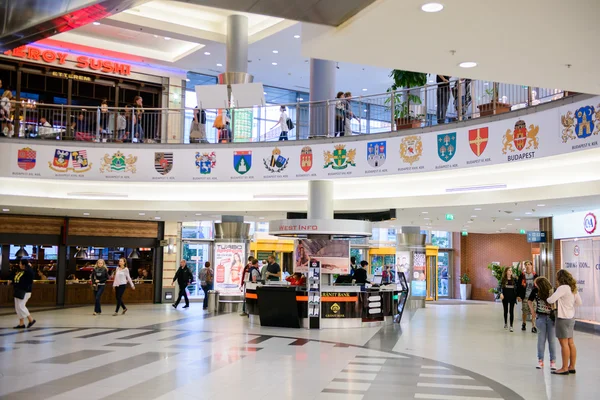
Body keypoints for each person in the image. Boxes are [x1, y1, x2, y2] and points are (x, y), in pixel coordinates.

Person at [547, 269, 582, 375]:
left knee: (564, 344)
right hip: (571, 318)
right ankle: (572, 367)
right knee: (571, 343)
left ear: (560, 278)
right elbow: (579, 303)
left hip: (562, 318)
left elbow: (551, 300)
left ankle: (564, 368)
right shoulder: (573, 288)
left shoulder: (562, 288)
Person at [528, 276, 557, 370]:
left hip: (551, 317)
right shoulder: (535, 291)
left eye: (536, 284)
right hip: (540, 317)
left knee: (551, 340)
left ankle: (553, 362)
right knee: (541, 340)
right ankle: (540, 361)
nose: (535, 285)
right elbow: (529, 300)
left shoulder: (552, 291)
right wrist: (532, 311)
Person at [11, 258, 36, 329]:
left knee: (21, 306)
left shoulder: (28, 271)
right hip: (18, 290)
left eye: (20, 263)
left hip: (25, 291)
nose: (19, 265)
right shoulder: (22, 271)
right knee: (17, 307)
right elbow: (17, 279)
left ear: (23, 264)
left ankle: (31, 319)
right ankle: (21, 323)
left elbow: (27, 282)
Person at [517, 260, 538, 333]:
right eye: (526, 265)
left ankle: (533, 326)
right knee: (525, 311)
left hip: (533, 297)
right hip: (525, 296)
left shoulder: (535, 275)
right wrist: (518, 296)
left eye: (529, 264)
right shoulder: (522, 275)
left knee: (533, 311)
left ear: (532, 266)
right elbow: (518, 286)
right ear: (525, 266)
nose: (528, 266)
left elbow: (538, 286)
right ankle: (524, 323)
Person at [500, 267, 518, 332]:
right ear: (506, 272)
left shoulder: (514, 279)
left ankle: (511, 326)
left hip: (512, 297)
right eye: (509, 270)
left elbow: (517, 288)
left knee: (511, 311)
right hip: (505, 297)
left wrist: (517, 296)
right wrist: (501, 293)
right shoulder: (503, 279)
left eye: (511, 270)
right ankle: (505, 323)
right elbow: (499, 287)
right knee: (505, 311)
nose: (510, 271)